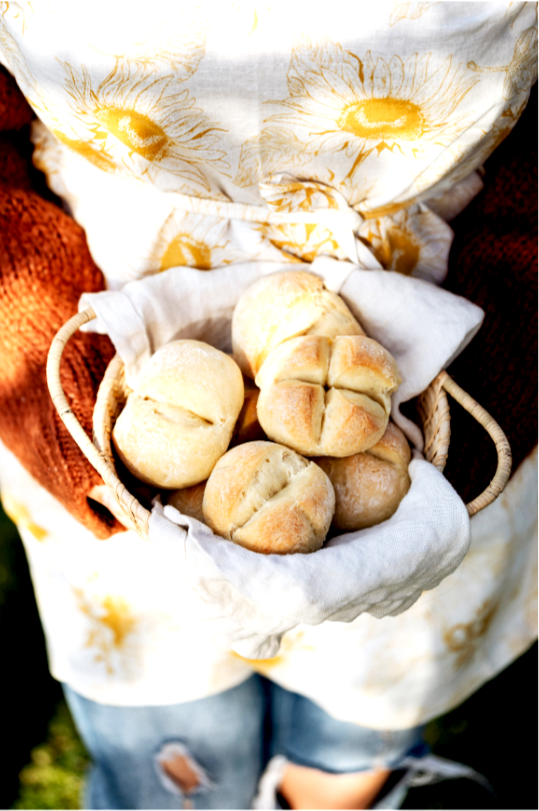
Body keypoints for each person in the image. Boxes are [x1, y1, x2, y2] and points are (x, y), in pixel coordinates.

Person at [0, 3, 536, 808]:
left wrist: (511, 332)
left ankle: (340, 784)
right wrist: (32, 338)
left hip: (438, 359)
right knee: (166, 723)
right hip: (101, 342)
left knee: (364, 691)